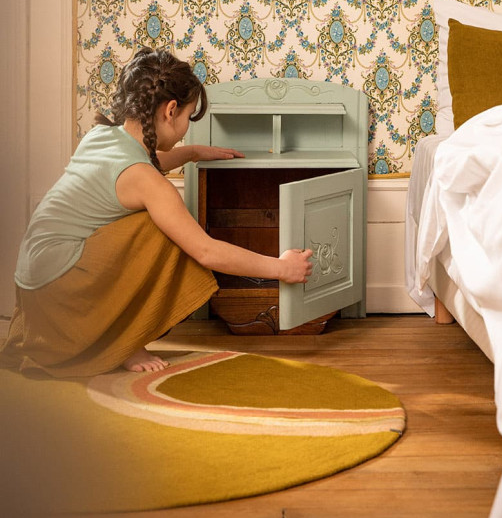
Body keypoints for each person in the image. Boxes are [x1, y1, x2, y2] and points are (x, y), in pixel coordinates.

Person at [0, 47, 312, 377]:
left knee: (149, 217)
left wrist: (191, 152)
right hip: (62, 295)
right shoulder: (145, 181)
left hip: (35, 286)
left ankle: (120, 339)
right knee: (160, 229)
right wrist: (281, 268)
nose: (186, 130)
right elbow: (205, 250)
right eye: (188, 120)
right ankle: (124, 342)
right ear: (171, 110)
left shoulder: (101, 136)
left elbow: (136, 168)